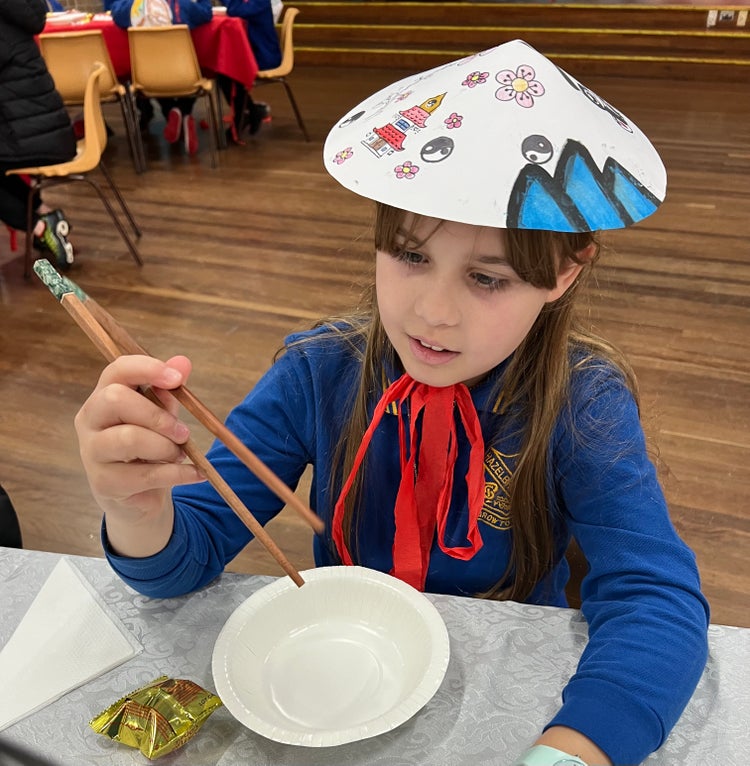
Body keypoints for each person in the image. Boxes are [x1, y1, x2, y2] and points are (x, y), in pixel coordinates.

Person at [74, 40, 709, 766]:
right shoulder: (318, 372)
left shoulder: (583, 405)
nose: (432, 314)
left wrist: (574, 750)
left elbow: (655, 599)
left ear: (564, 271)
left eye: (488, 279)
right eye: (410, 255)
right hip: (331, 683)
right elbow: (181, 565)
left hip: (502, 686)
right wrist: (134, 508)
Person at [0, 0, 77, 269]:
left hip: (31, 137)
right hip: (43, 133)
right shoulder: (14, 16)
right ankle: (42, 216)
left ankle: (39, 225)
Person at [110, 0, 213, 155]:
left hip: (149, 77)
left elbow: (116, 13)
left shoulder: (134, 8)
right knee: (199, 69)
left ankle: (172, 111)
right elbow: (206, 13)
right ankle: (183, 110)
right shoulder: (184, 6)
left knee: (155, 73)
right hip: (185, 75)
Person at [219, 0, 281, 139]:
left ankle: (243, 115)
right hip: (250, 51)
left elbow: (235, 10)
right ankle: (251, 111)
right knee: (223, 67)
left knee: (227, 70)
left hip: (263, 55)